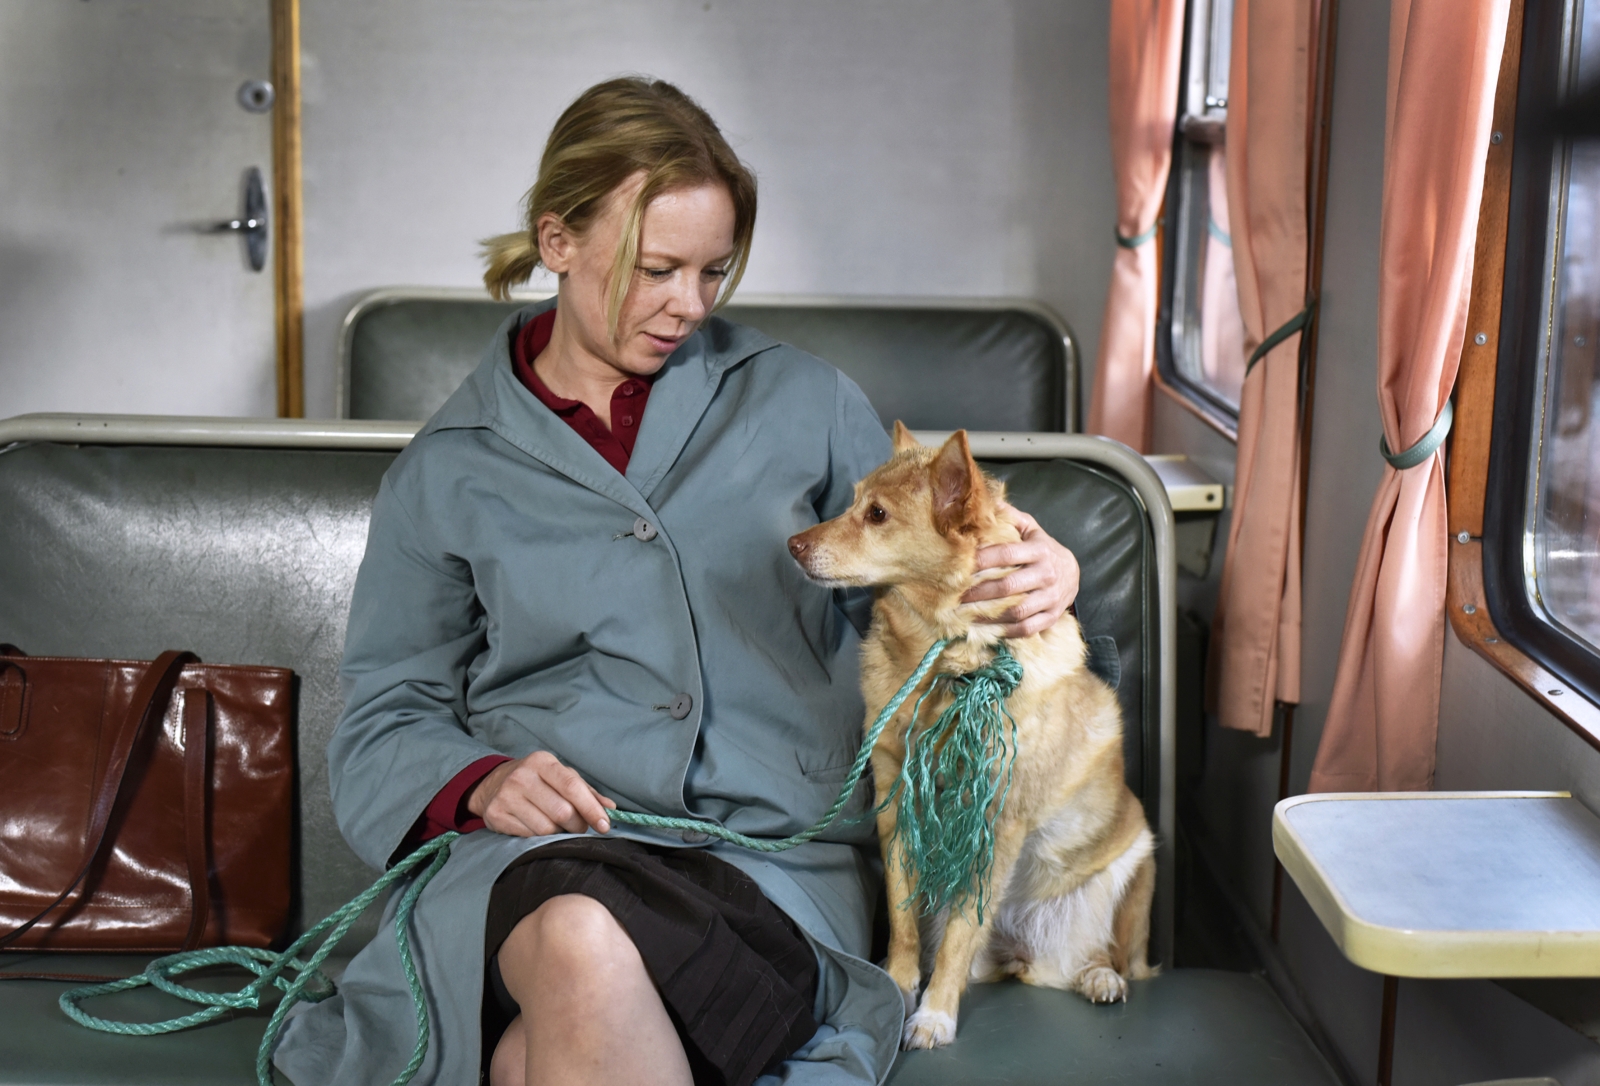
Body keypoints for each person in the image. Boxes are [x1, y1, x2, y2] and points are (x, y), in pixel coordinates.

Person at [272, 77, 1080, 1086]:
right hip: (531, 865)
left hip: (768, 866)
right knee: (575, 929)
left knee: (535, 1046)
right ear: (557, 240)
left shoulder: (807, 401)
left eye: (713, 271)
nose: (689, 306)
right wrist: (481, 780)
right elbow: (384, 720)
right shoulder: (446, 469)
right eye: (656, 269)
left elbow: (935, 563)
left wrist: (1047, 570)